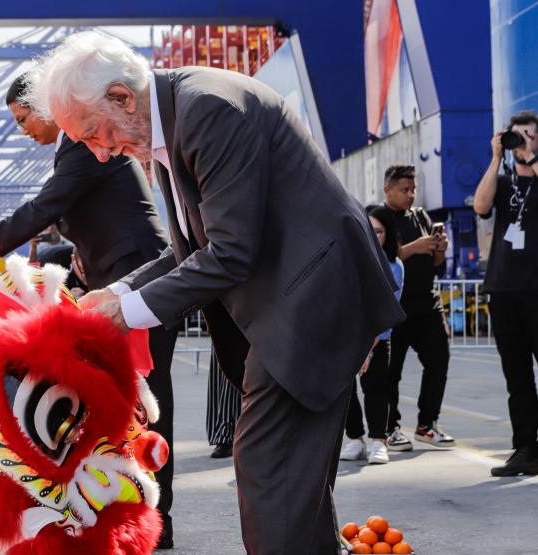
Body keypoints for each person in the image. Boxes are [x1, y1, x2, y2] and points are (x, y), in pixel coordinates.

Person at [24, 32, 403, 554]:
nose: (101, 152)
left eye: (93, 133)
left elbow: (229, 252)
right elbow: (192, 249)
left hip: (312, 301)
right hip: (295, 302)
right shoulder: (170, 121)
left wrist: (125, 312)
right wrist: (117, 290)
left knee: (271, 466)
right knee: (293, 479)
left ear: (121, 96)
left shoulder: (208, 109)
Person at [0, 73, 178, 548]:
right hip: (115, 274)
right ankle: (132, 504)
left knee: (146, 392)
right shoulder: (73, 149)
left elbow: (44, 207)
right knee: (125, 394)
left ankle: (158, 515)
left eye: (24, 119)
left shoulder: (81, 144)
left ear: (46, 107)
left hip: (137, 272)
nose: (23, 130)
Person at [473, 110, 538, 476]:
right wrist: (496, 157)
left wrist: (532, 157)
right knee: (517, 375)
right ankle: (525, 449)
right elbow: (480, 206)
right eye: (518, 136)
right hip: (503, 288)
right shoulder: (502, 181)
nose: (523, 141)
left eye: (531, 135)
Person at [380, 165, 454, 451]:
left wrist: (439, 249)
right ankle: (389, 429)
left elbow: (435, 263)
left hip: (427, 302)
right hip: (396, 306)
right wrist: (414, 247)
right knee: (390, 372)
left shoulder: (421, 216)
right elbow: (379, 255)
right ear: (388, 189)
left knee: (439, 360)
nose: (411, 195)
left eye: (413, 189)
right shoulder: (379, 218)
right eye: (404, 190)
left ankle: (427, 424)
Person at [341, 205, 405, 465]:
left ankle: (379, 440)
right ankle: (355, 439)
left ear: (387, 234)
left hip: (378, 336)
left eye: (379, 231)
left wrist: (367, 347)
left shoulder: (394, 266)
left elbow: (389, 310)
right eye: (369, 230)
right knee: (345, 390)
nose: (374, 236)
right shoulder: (348, 260)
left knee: (376, 387)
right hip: (347, 336)